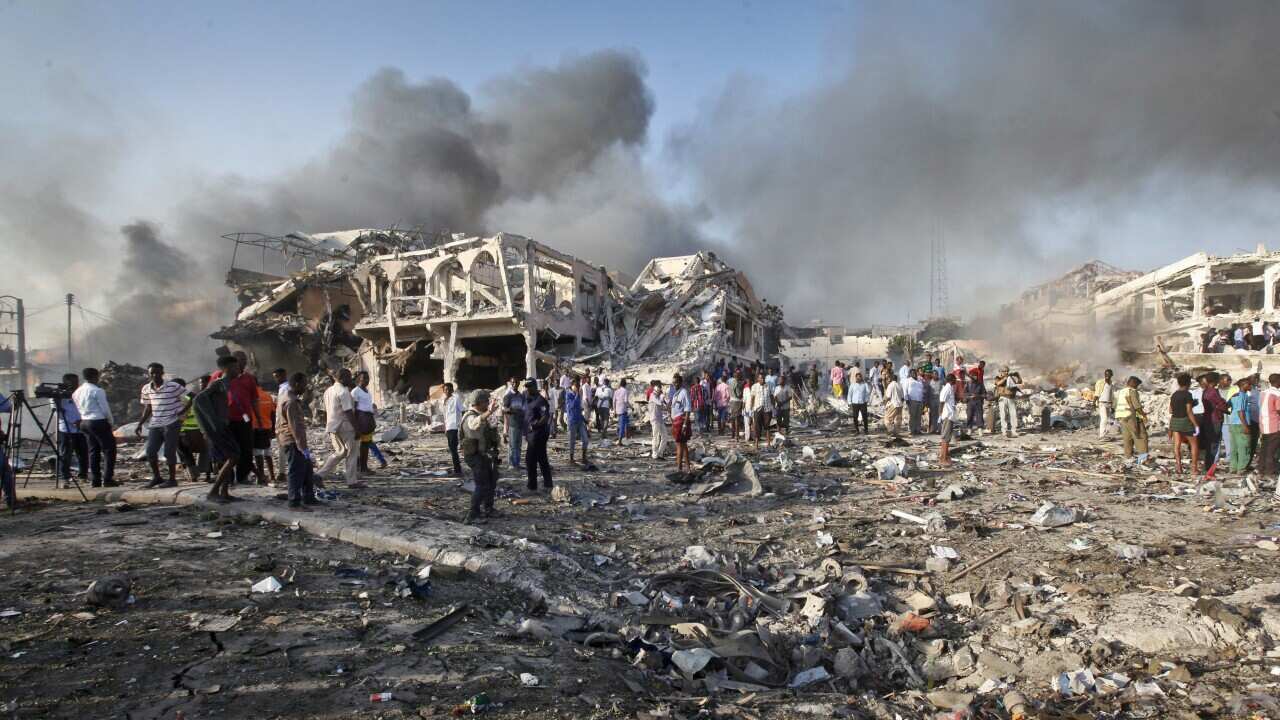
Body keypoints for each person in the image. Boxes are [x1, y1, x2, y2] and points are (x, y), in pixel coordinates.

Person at [209, 351, 263, 486]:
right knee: (227, 450)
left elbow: (254, 399)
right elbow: (208, 398)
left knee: (246, 449)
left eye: (244, 360)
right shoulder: (217, 377)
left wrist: (259, 418)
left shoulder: (249, 378)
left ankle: (242, 477)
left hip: (244, 420)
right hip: (225, 420)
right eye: (239, 360)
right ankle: (227, 478)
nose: (243, 363)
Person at [193, 356, 242, 502]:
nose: (238, 369)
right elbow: (198, 400)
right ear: (227, 368)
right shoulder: (218, 384)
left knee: (229, 458)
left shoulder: (225, 384)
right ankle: (213, 492)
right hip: (217, 429)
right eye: (235, 367)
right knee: (234, 456)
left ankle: (224, 492)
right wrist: (211, 423)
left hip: (222, 426)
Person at [136, 362, 188, 489]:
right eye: (152, 373)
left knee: (169, 452)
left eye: (157, 372)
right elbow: (148, 408)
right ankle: (157, 477)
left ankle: (172, 479)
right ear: (148, 374)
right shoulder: (146, 388)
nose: (155, 375)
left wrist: (182, 411)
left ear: (162, 373)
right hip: (155, 424)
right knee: (150, 452)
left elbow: (191, 396)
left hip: (171, 423)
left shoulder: (173, 386)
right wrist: (140, 423)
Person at [276, 373, 319, 510]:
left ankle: (308, 497)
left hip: (292, 439)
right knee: (296, 471)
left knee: (307, 469)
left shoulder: (287, 396)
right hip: (293, 440)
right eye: (304, 384)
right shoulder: (291, 402)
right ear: (296, 384)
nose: (305, 388)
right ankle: (294, 502)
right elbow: (295, 427)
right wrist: (302, 447)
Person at [460, 390, 501, 524]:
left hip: (485, 454)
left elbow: (491, 430)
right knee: (481, 484)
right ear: (478, 403)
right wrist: (489, 412)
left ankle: (488, 508)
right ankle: (473, 514)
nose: (488, 404)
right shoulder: (469, 416)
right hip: (475, 456)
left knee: (491, 482)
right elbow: (474, 424)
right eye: (486, 402)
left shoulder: (482, 415)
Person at [73, 367, 118, 488]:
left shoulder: (77, 392)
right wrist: (111, 422)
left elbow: (78, 408)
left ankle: (95, 480)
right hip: (98, 421)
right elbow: (105, 408)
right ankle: (108, 479)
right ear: (95, 377)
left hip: (85, 422)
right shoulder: (97, 390)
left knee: (93, 451)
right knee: (109, 450)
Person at [317, 369, 359, 485]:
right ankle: (352, 481)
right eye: (349, 377)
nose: (351, 379)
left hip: (332, 425)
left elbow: (326, 410)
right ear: (342, 378)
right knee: (352, 453)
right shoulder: (343, 392)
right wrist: (357, 428)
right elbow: (348, 411)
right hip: (345, 426)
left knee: (341, 452)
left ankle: (319, 475)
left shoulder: (328, 391)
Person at [57, 372, 88, 488]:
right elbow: (58, 413)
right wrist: (74, 422)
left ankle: (83, 476)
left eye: (76, 382)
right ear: (65, 383)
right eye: (72, 383)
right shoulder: (58, 396)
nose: (75, 385)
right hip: (66, 429)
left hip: (81, 428)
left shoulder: (80, 393)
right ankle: (65, 477)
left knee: (83, 453)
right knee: (66, 454)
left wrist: (82, 421)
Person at [352, 371, 387, 474]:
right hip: (362, 419)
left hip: (368, 419)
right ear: (359, 379)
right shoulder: (356, 391)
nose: (366, 380)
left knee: (366, 444)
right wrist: (356, 425)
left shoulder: (367, 391)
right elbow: (354, 409)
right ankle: (363, 468)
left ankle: (363, 467)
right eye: (364, 378)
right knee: (364, 445)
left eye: (368, 378)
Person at [177, 376, 209, 483]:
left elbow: (181, 416)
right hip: (196, 429)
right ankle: (204, 473)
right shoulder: (193, 397)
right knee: (203, 451)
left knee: (185, 453)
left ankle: (194, 475)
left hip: (185, 430)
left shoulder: (181, 399)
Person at [523, 380, 553, 492]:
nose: (528, 389)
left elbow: (545, 417)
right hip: (531, 435)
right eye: (527, 387)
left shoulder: (541, 400)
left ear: (535, 386)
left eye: (530, 386)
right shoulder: (528, 399)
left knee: (530, 460)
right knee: (542, 458)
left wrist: (535, 425)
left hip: (538, 435)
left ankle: (532, 485)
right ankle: (548, 483)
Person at [1168, 373, 1200, 476]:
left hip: (1175, 421)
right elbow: (1189, 411)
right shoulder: (1187, 394)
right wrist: (1196, 425)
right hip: (1185, 421)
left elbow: (1170, 410)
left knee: (1177, 445)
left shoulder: (1174, 394)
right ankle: (1194, 469)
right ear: (1188, 383)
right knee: (1194, 445)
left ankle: (1179, 467)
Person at [1115, 375, 1150, 462]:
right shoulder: (1132, 391)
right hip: (1131, 417)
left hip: (1122, 417)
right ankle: (1143, 459)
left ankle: (1128, 457)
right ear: (1133, 383)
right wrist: (1144, 415)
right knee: (1141, 437)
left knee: (1128, 438)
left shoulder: (1122, 391)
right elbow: (1136, 406)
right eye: (1137, 385)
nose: (1137, 387)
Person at [251, 384, 278, 485]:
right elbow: (273, 413)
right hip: (267, 427)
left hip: (255, 427)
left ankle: (261, 476)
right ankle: (272, 476)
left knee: (257, 453)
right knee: (267, 452)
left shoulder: (250, 396)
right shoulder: (268, 396)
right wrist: (273, 429)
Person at [1200, 372, 1228, 468]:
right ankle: (1210, 466)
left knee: (1209, 443)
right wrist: (1226, 403)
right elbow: (1221, 405)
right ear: (1215, 381)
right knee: (1214, 443)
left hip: (1208, 419)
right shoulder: (1213, 392)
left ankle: (1208, 465)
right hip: (1215, 419)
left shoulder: (1205, 391)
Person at [1226, 377, 1253, 474]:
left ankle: (1233, 467)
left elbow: (1227, 406)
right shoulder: (1243, 396)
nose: (1250, 386)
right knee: (1244, 447)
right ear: (1243, 385)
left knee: (1234, 446)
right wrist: (1245, 426)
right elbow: (1240, 411)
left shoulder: (1234, 395)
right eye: (1249, 384)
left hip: (1232, 423)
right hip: (1241, 423)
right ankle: (1241, 468)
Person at [271, 367, 290, 485]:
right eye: (275, 377)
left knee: (288, 449)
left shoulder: (287, 388)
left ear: (284, 375)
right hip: (281, 424)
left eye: (278, 376)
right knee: (282, 449)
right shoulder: (282, 388)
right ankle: (282, 473)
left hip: (285, 424)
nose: (276, 379)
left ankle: (286, 473)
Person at [501, 377, 525, 470]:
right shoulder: (508, 396)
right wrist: (511, 410)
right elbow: (504, 409)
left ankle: (517, 463)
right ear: (511, 383)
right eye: (513, 382)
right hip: (512, 423)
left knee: (518, 445)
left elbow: (524, 409)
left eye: (516, 382)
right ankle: (511, 464)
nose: (515, 384)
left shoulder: (521, 396)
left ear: (519, 383)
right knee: (512, 445)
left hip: (520, 423)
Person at [670, 374, 692, 473]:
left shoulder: (684, 392)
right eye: (673, 383)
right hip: (676, 422)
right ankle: (688, 469)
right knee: (684, 446)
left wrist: (685, 425)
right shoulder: (676, 394)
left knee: (679, 446)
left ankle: (679, 469)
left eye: (676, 382)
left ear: (680, 382)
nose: (675, 384)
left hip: (681, 422)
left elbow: (687, 410)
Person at [565, 378, 589, 465]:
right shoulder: (568, 395)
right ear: (572, 386)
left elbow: (578, 409)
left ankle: (584, 457)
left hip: (579, 420)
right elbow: (572, 406)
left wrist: (584, 419)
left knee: (585, 439)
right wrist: (577, 395)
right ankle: (571, 458)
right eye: (576, 386)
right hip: (572, 420)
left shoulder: (578, 395)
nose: (578, 387)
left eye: (579, 386)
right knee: (572, 440)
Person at [443, 383, 464, 476]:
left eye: (449, 389)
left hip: (454, 426)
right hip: (448, 427)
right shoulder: (444, 400)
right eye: (445, 389)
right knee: (452, 449)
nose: (447, 391)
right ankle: (457, 468)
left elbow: (462, 410)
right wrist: (445, 428)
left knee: (453, 449)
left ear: (452, 390)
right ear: (443, 391)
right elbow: (445, 416)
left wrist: (462, 426)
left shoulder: (456, 398)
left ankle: (458, 470)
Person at [995, 368, 1021, 438]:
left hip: (1011, 398)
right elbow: (998, 383)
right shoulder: (998, 378)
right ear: (1001, 372)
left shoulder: (1011, 378)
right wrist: (1005, 378)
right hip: (1003, 398)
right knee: (1003, 415)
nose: (1006, 372)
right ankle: (1004, 431)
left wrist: (1018, 376)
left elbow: (1019, 383)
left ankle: (1014, 431)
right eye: (1004, 371)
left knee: (1013, 415)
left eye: (1007, 371)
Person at [938, 375, 957, 467]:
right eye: (954, 379)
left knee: (947, 437)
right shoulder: (947, 388)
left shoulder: (950, 388)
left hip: (950, 415)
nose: (956, 380)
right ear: (952, 380)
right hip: (947, 415)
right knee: (946, 437)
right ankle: (943, 459)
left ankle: (944, 457)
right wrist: (940, 414)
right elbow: (942, 401)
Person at [649, 380, 668, 459]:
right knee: (656, 436)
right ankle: (654, 453)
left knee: (665, 436)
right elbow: (659, 403)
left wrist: (665, 400)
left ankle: (660, 453)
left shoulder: (658, 397)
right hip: (654, 419)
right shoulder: (652, 396)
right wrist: (662, 397)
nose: (660, 391)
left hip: (660, 419)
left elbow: (664, 406)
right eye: (659, 389)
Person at [1095, 369, 1115, 439]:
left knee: (1108, 420)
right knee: (1104, 419)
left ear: (1111, 375)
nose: (1107, 375)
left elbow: (1111, 395)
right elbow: (1097, 392)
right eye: (1106, 374)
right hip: (1102, 403)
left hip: (1109, 404)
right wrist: (1094, 403)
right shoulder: (1100, 382)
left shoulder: (1111, 383)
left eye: (1109, 374)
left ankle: (1105, 434)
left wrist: (1112, 406)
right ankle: (1102, 435)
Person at [965, 369, 986, 434]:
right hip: (970, 402)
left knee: (979, 416)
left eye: (975, 375)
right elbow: (964, 394)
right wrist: (969, 396)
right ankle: (969, 429)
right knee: (969, 416)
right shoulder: (967, 384)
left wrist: (978, 396)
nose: (974, 377)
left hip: (978, 402)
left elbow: (984, 394)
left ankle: (980, 429)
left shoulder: (980, 384)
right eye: (973, 375)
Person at [905, 369, 925, 436]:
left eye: (915, 373)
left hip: (920, 400)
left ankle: (918, 430)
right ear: (910, 374)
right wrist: (907, 400)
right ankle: (912, 430)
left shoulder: (919, 380)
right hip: (912, 400)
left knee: (919, 416)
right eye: (912, 373)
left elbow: (922, 389)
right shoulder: (908, 380)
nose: (914, 374)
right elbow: (905, 390)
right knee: (912, 416)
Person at [614, 378, 631, 443]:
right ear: (625, 384)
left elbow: (614, 401)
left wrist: (614, 410)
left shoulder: (616, 391)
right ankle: (620, 440)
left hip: (618, 410)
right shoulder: (625, 391)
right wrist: (631, 407)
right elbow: (626, 401)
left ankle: (625, 437)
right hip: (623, 410)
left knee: (622, 424)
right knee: (622, 425)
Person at [728, 370, 744, 440]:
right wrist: (742, 392)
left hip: (731, 401)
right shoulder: (737, 383)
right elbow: (738, 394)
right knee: (737, 419)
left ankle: (733, 434)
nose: (741, 376)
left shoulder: (730, 382)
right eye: (740, 375)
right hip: (737, 402)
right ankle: (737, 436)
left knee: (733, 418)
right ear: (737, 376)